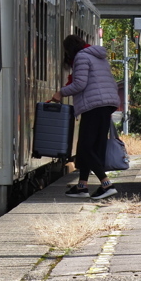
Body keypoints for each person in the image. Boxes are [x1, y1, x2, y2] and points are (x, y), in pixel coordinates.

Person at [51, 35, 120, 199]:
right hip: (105, 103)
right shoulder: (96, 56)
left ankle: (106, 184)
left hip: (95, 105)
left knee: (86, 147)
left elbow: (80, 83)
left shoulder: (81, 57)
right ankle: (82, 186)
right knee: (90, 146)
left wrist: (60, 93)